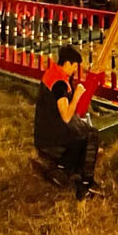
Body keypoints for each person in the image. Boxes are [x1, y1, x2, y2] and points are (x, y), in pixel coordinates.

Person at [33, 45, 101, 199]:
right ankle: (85, 185)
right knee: (92, 135)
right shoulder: (59, 84)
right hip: (51, 133)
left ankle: (62, 168)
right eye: (75, 66)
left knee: (83, 131)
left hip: (46, 127)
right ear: (68, 63)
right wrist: (77, 96)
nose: (75, 70)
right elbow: (66, 116)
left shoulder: (54, 73)